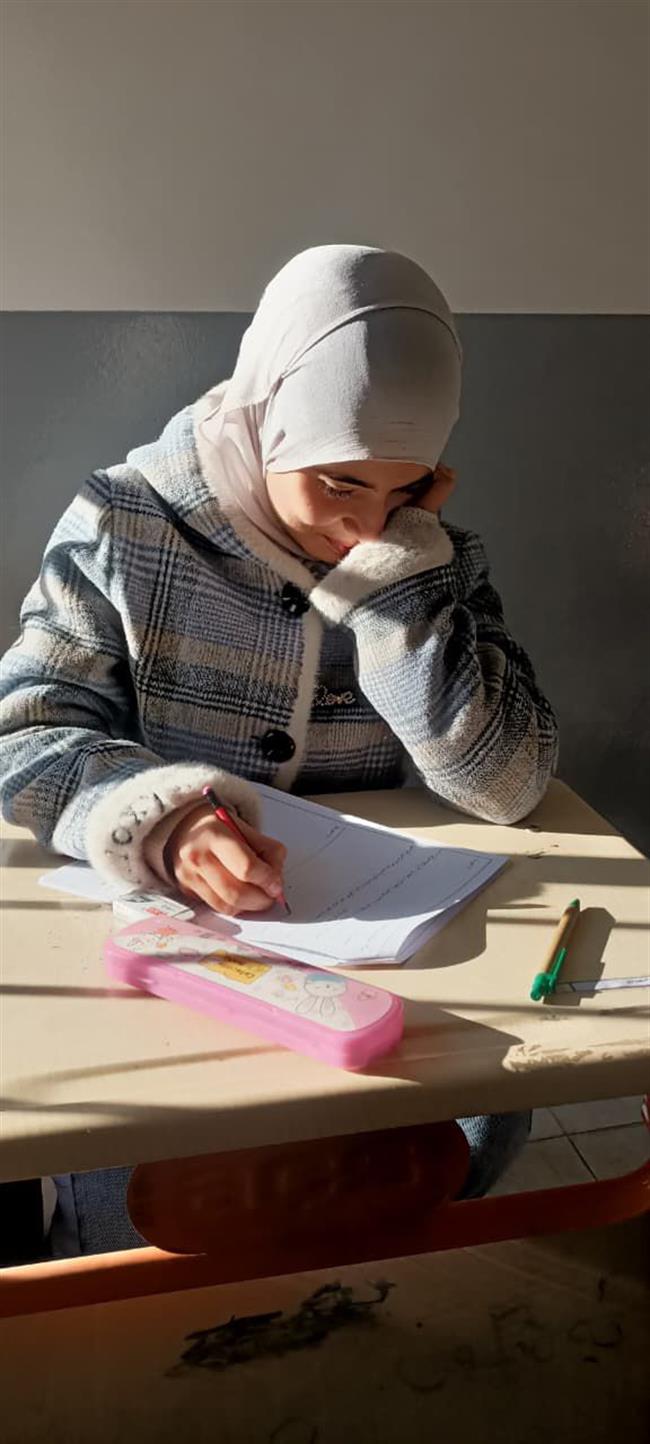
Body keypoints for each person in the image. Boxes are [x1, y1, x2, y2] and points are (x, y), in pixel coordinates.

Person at [0, 245, 557, 1250]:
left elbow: (509, 785)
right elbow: (26, 732)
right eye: (340, 480)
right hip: (170, 970)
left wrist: (397, 593)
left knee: (404, 1202)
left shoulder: (425, 558)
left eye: (406, 487)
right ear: (266, 415)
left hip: (384, 978)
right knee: (160, 1228)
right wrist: (161, 823)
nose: (364, 521)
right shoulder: (124, 523)